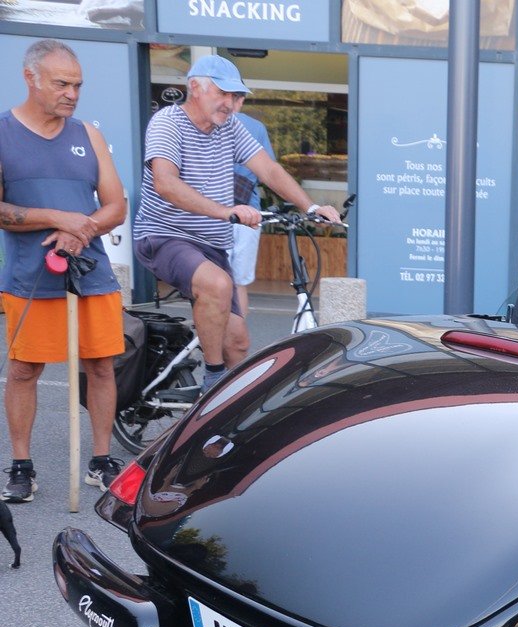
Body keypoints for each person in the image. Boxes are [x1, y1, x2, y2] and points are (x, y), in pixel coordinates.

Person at [133, 55, 340, 392]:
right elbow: (165, 184)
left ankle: (233, 411)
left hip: (211, 244)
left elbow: (268, 169)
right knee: (216, 284)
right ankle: (213, 382)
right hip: (165, 236)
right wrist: (225, 211)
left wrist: (312, 206)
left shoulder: (229, 127)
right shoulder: (168, 122)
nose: (229, 103)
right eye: (222, 93)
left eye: (235, 96)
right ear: (195, 87)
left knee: (239, 342)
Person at [0, 39, 128, 503]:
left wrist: (82, 227)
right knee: (23, 369)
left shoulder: (87, 134)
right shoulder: (3, 133)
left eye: (77, 85)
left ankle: (101, 460)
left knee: (102, 366)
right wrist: (58, 218)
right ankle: (21, 466)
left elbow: (116, 205)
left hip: (90, 271)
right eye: (61, 84)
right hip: (30, 277)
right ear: (30, 78)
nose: (72, 94)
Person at [227, 106, 274, 326]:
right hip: (248, 212)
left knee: (211, 281)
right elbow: (267, 171)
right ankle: (237, 334)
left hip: (210, 211)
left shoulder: (202, 122)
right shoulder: (256, 127)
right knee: (239, 283)